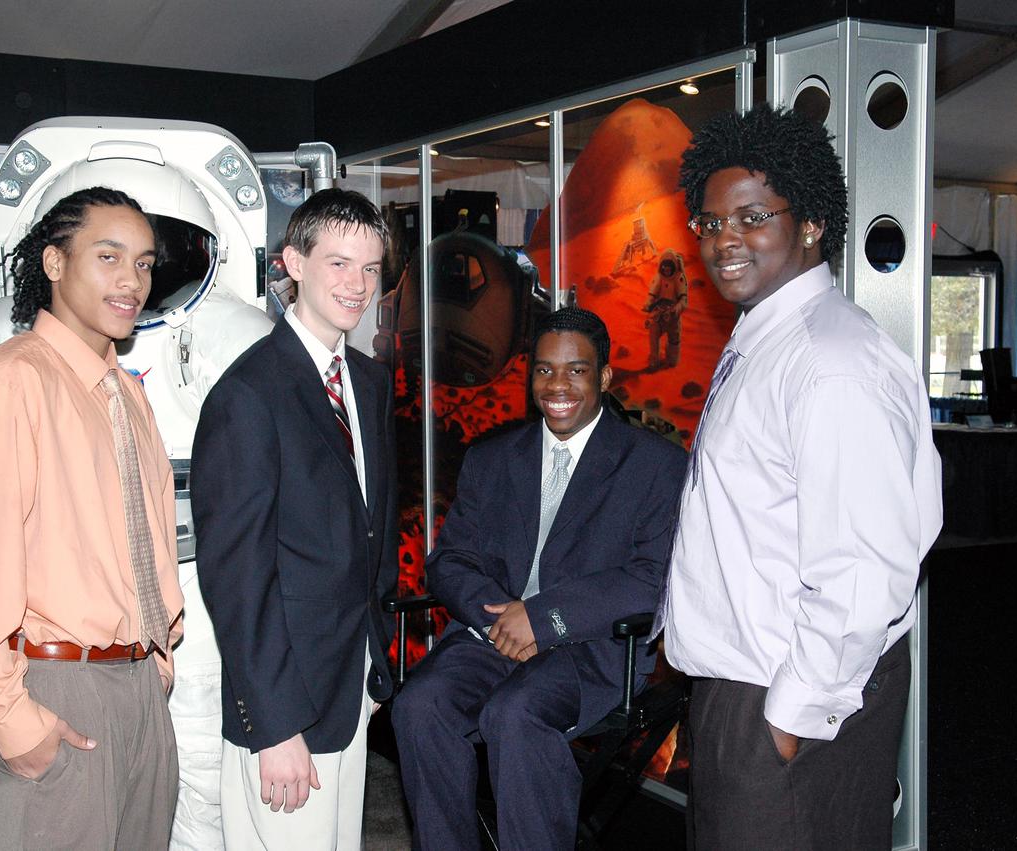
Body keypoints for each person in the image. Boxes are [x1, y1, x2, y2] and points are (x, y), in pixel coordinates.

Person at [660, 105, 943, 850]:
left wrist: (788, 720)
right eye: (710, 222)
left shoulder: (830, 362)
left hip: (786, 701)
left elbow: (864, 571)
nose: (725, 240)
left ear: (812, 222)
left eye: (752, 217)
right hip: (746, 690)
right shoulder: (770, 337)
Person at [0, 187, 184, 849]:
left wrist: (157, 658)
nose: (133, 279)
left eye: (146, 262)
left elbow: (147, 539)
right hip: (59, 685)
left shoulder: (126, 394)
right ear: (55, 263)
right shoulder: (8, 382)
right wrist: (11, 716)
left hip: (142, 686)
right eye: (109, 256)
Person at [393, 306, 688, 851]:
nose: (558, 385)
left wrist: (542, 619)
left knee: (516, 713)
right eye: (545, 370)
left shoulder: (655, 466)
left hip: (590, 649)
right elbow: (449, 559)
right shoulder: (494, 457)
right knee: (417, 705)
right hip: (491, 635)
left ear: (603, 377)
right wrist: (500, 615)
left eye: (576, 370)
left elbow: (652, 579)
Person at [191, 187, 398, 850]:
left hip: (352, 685)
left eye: (370, 269)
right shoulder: (248, 394)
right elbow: (237, 579)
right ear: (294, 263)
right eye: (338, 263)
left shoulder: (366, 381)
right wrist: (273, 726)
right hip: (287, 708)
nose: (357, 284)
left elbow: (373, 530)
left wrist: (377, 655)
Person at [644, 249, 688, 369]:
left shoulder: (679, 278)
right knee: (653, 334)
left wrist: (676, 309)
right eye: (665, 267)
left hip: (673, 316)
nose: (667, 270)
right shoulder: (659, 278)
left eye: (669, 267)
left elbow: (683, 300)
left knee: (674, 340)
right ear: (661, 267)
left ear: (674, 266)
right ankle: (654, 359)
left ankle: (672, 359)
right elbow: (652, 294)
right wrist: (648, 304)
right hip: (659, 313)